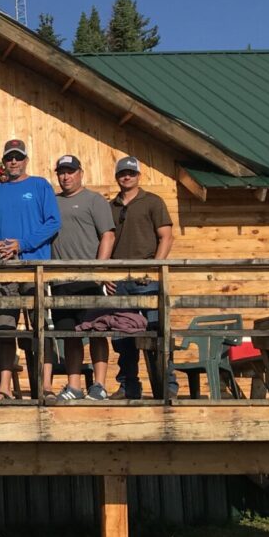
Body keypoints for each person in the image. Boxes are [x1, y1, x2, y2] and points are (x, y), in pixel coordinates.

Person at [0, 138, 61, 400]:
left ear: (26, 159)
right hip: (5, 270)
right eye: (9, 158)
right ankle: (4, 387)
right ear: (4, 162)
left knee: (41, 327)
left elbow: (52, 223)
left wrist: (22, 244)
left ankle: (45, 386)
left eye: (18, 157)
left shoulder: (40, 186)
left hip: (35, 266)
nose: (13, 161)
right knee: (5, 328)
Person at [44, 155, 115, 402]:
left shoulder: (94, 200)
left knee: (96, 332)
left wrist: (99, 270)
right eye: (61, 172)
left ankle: (99, 385)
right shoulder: (51, 201)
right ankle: (74, 386)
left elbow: (108, 235)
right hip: (61, 281)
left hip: (89, 280)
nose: (66, 177)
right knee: (69, 334)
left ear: (80, 173)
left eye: (70, 171)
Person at [106, 155, 176, 400]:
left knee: (157, 333)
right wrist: (106, 274)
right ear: (117, 177)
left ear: (138, 176)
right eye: (122, 173)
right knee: (122, 337)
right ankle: (128, 386)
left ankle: (168, 386)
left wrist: (154, 268)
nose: (127, 177)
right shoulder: (111, 206)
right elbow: (106, 239)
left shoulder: (153, 201)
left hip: (147, 280)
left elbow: (166, 236)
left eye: (131, 173)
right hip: (120, 281)